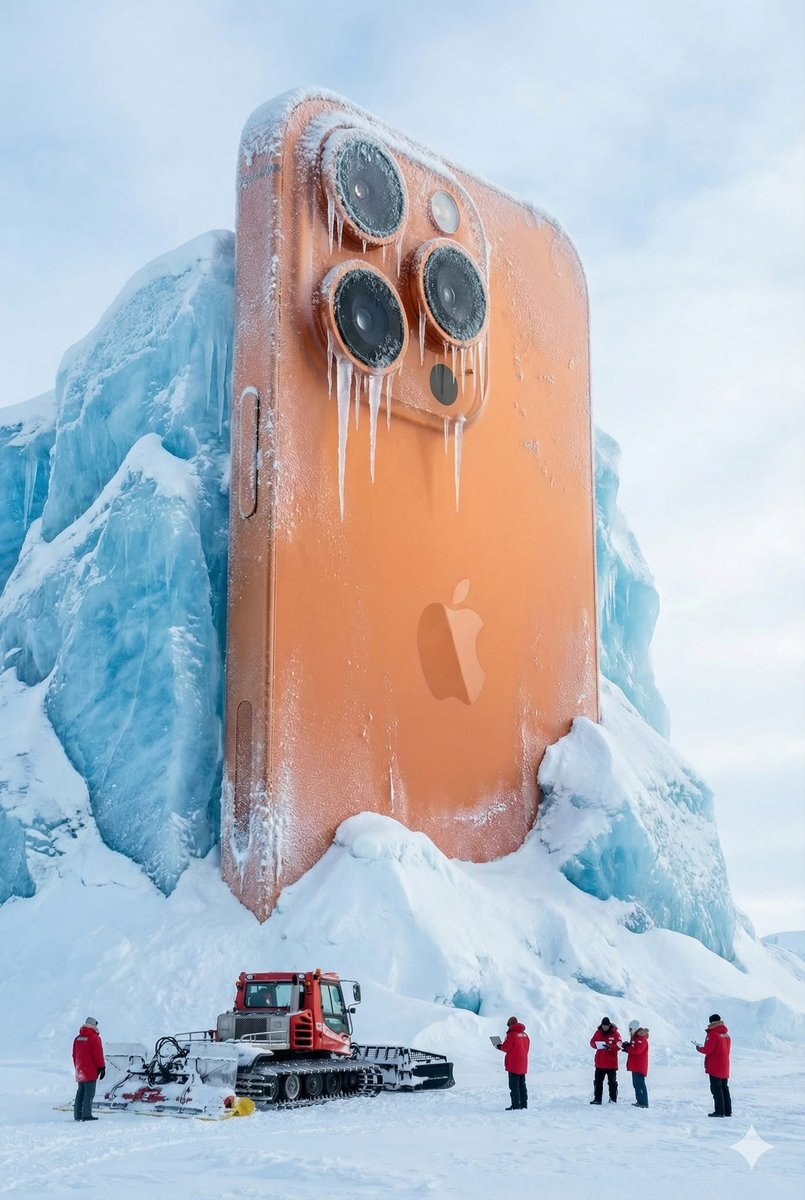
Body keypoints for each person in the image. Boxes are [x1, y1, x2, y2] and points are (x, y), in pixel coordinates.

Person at [696, 1013, 732, 1117]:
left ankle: (720, 1111)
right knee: (724, 1088)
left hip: (715, 1065)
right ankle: (727, 1111)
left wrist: (699, 1048)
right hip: (725, 1065)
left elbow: (708, 1050)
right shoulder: (726, 1035)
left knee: (716, 1089)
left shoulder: (713, 1034)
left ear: (711, 1022)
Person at [72, 1017, 106, 1122]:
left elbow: (74, 1055)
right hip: (90, 1070)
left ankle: (77, 1114)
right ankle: (86, 1115)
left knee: (80, 1092)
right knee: (89, 1093)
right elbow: (98, 1055)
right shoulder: (95, 1038)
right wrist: (102, 1067)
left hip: (80, 1069)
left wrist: (77, 1067)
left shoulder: (77, 1039)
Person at [496, 1016, 530, 1110]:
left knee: (514, 1085)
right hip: (523, 1063)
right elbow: (526, 1049)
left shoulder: (512, 1035)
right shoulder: (525, 1035)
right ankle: (523, 1104)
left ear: (511, 1024)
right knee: (522, 1085)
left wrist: (499, 1046)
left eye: (508, 1025)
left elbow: (506, 1048)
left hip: (513, 1063)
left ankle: (516, 1105)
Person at [589, 1016, 621, 1104]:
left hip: (611, 1064)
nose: (604, 1027)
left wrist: (610, 1047)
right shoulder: (598, 1032)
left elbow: (619, 1045)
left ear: (609, 1025)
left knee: (612, 1082)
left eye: (606, 1026)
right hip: (600, 1063)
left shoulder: (615, 1034)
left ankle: (613, 1099)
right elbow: (591, 1042)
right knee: (598, 1082)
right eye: (603, 1025)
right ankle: (597, 1099)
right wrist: (596, 1045)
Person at [622, 1019, 649, 1108]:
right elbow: (634, 1047)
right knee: (636, 1084)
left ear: (634, 1028)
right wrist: (627, 1046)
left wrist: (627, 1049)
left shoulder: (641, 1039)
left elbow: (637, 1050)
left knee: (640, 1084)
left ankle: (643, 1102)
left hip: (639, 1066)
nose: (629, 1031)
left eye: (630, 1029)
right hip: (635, 1065)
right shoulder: (636, 1038)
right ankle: (640, 1101)